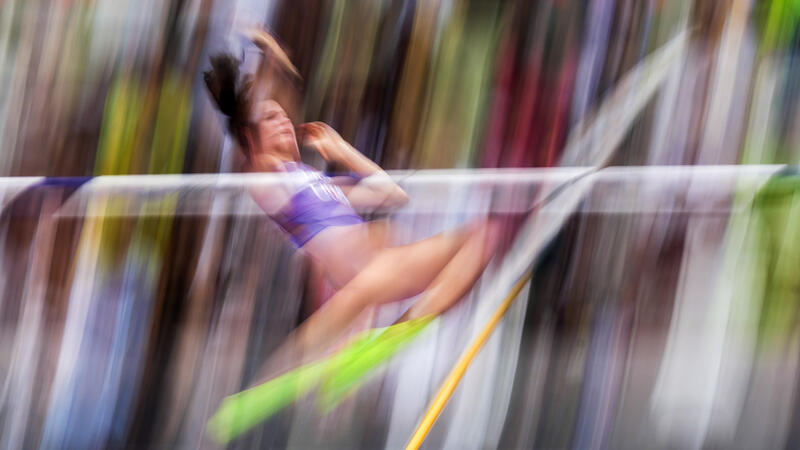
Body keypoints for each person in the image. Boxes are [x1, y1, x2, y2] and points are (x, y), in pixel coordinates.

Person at [203, 29, 501, 435]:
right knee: (292, 364)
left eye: (284, 116)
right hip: (365, 273)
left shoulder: (312, 178)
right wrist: (270, 58)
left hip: (378, 268)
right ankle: (371, 349)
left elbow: (392, 195)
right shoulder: (267, 177)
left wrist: (342, 150)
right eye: (273, 119)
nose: (286, 122)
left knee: (480, 239)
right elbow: (248, 112)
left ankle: (377, 346)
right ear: (252, 141)